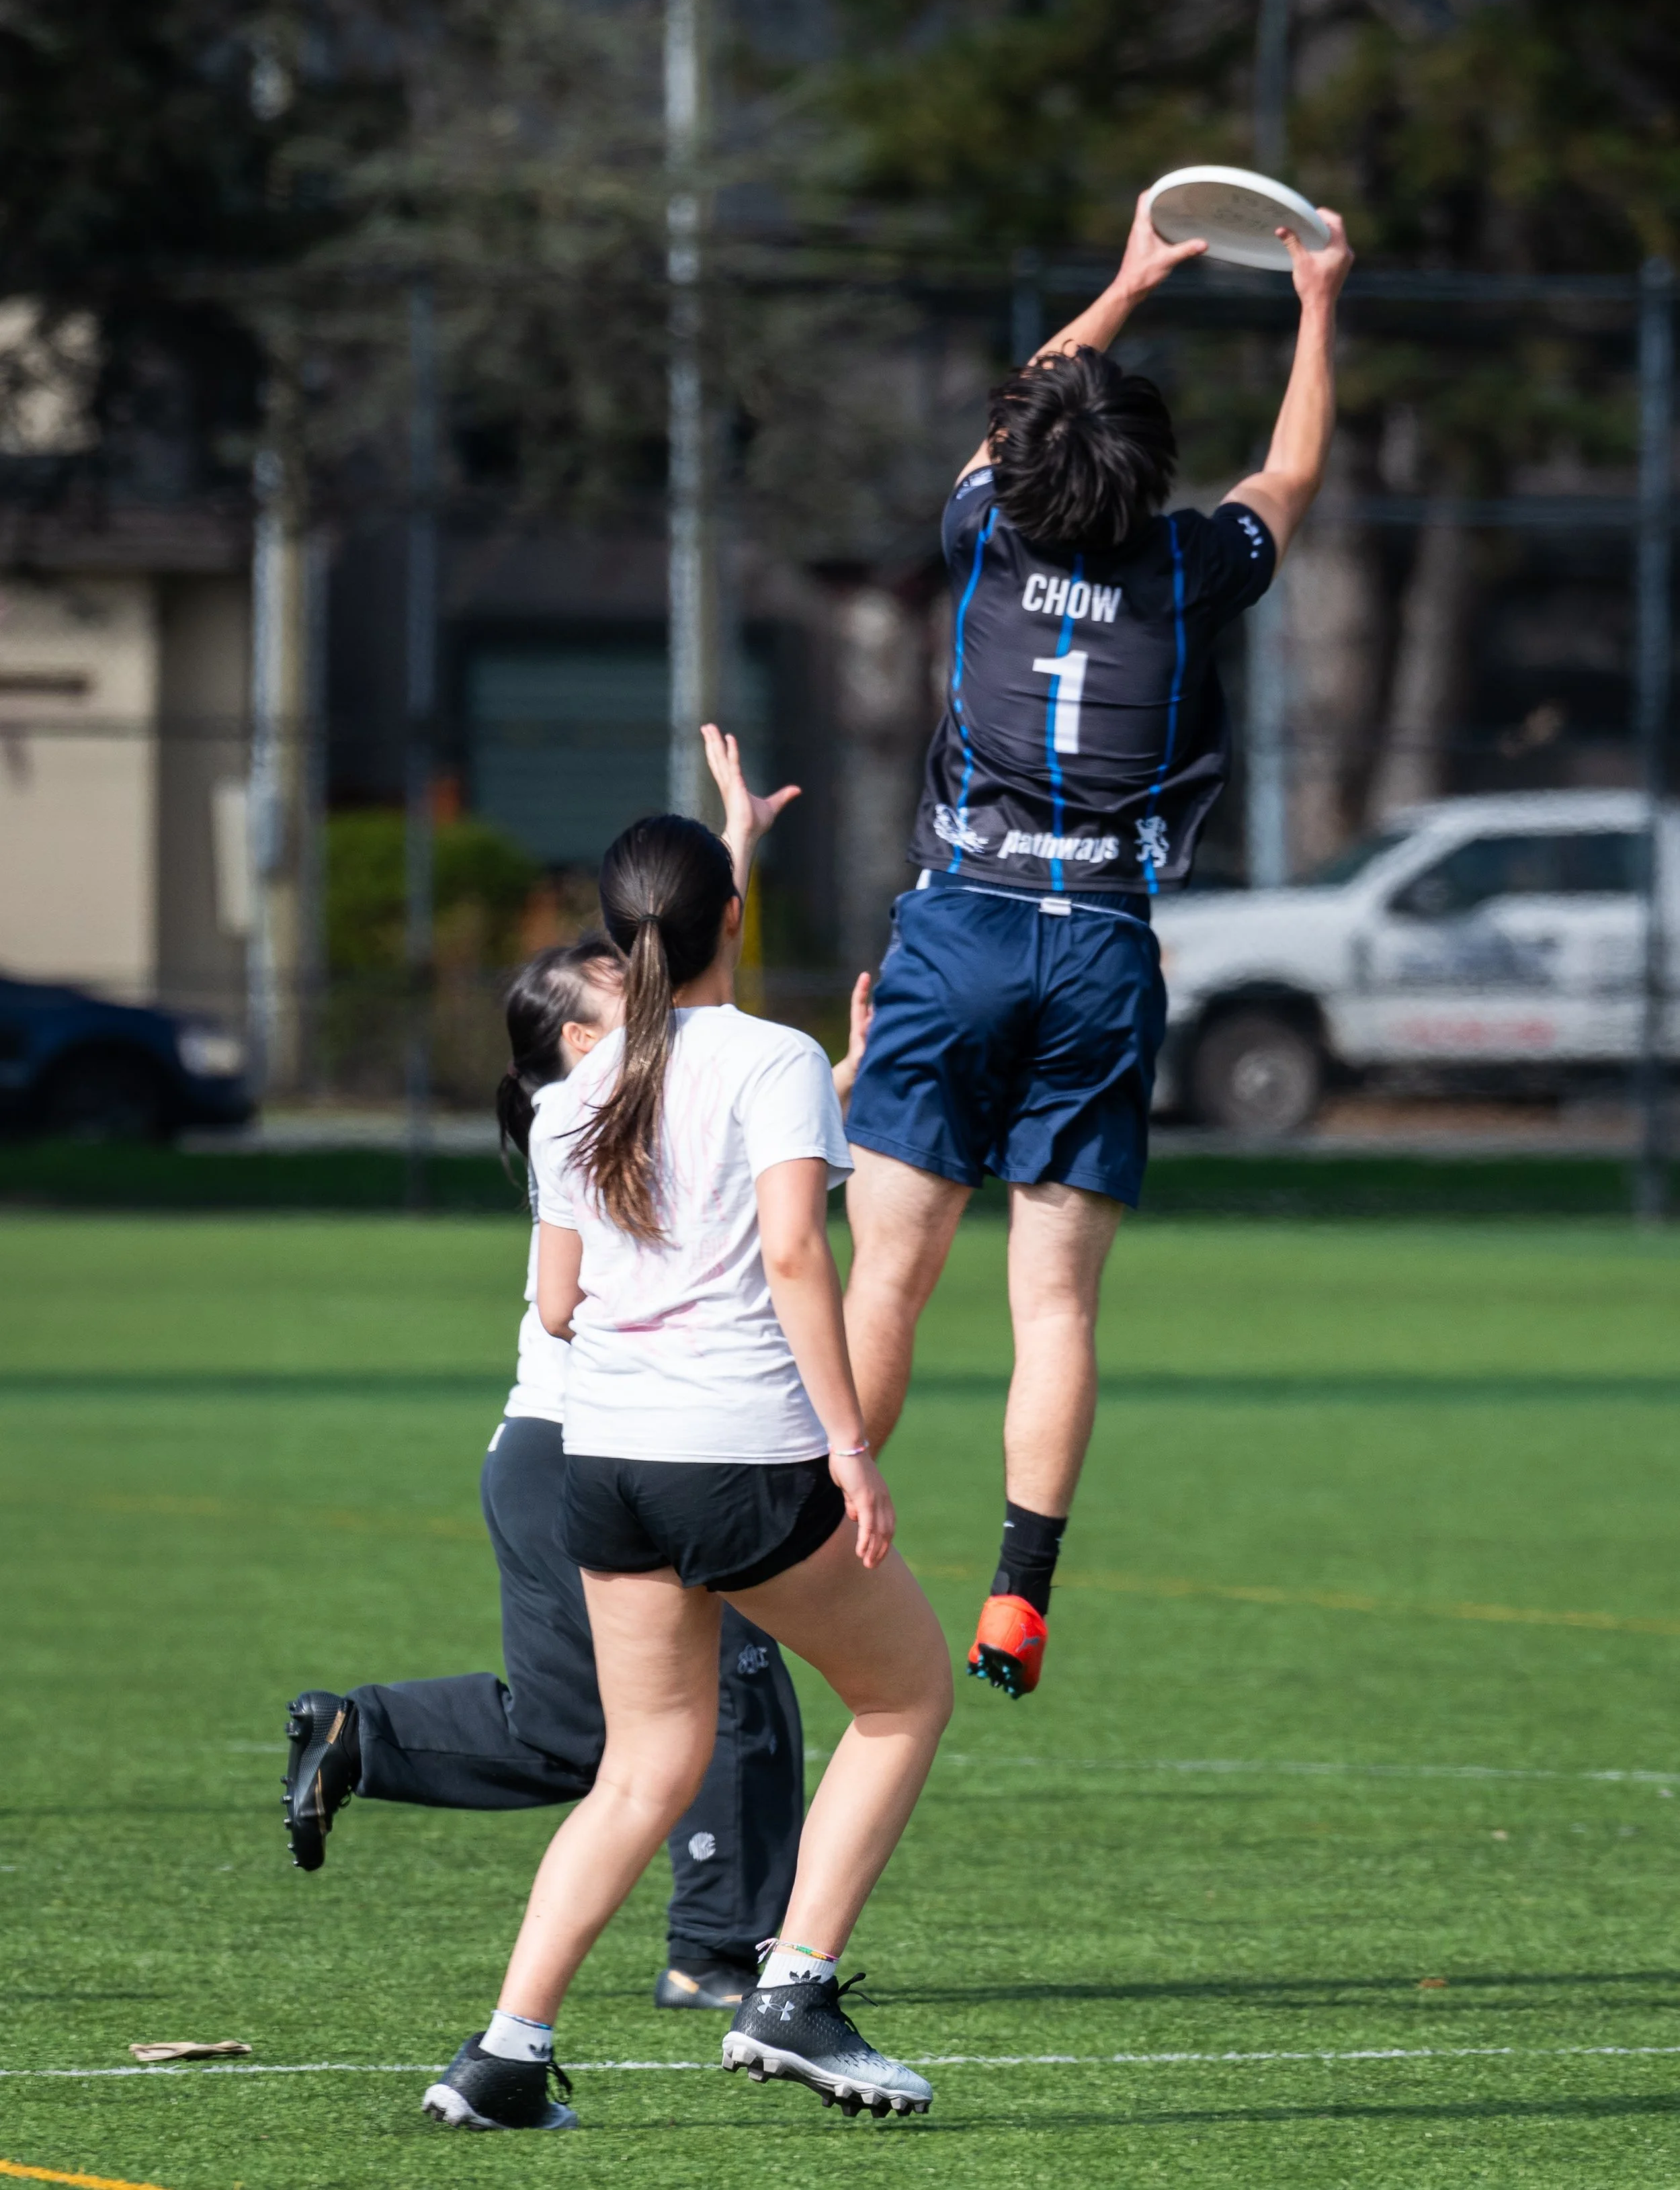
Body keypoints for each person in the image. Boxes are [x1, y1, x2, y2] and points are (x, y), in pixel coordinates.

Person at [842, 189, 1355, 1699]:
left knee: (888, 1274)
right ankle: (1021, 1588)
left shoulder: (985, 533)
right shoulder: (1193, 574)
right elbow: (1296, 466)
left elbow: (1023, 417)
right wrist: (1315, 302)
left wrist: (1124, 280)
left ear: (1020, 461)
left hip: (960, 923)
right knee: (1052, 1300)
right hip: (1099, 948)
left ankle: (814, 1523)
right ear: (1147, 482)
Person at [283, 729, 868, 2018]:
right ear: (567, 1051)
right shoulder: (603, 1102)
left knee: (598, 1738)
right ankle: (721, 1950)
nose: (636, 1005)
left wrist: (736, 853)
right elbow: (725, 1161)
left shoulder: (607, 1104)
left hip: (593, 1451)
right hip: (615, 1441)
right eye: (606, 1001)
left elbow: (706, 1060)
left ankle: (518, 2000)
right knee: (727, 1699)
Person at [421, 808, 952, 2133]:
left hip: (602, 1464)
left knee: (643, 1763)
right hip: (742, 1459)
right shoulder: (769, 1052)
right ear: (733, 920)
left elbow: (556, 1306)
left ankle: (502, 2051)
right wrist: (849, 1443)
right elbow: (789, 1252)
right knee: (900, 1697)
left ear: (614, 936)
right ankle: (792, 1989)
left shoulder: (572, 1091)